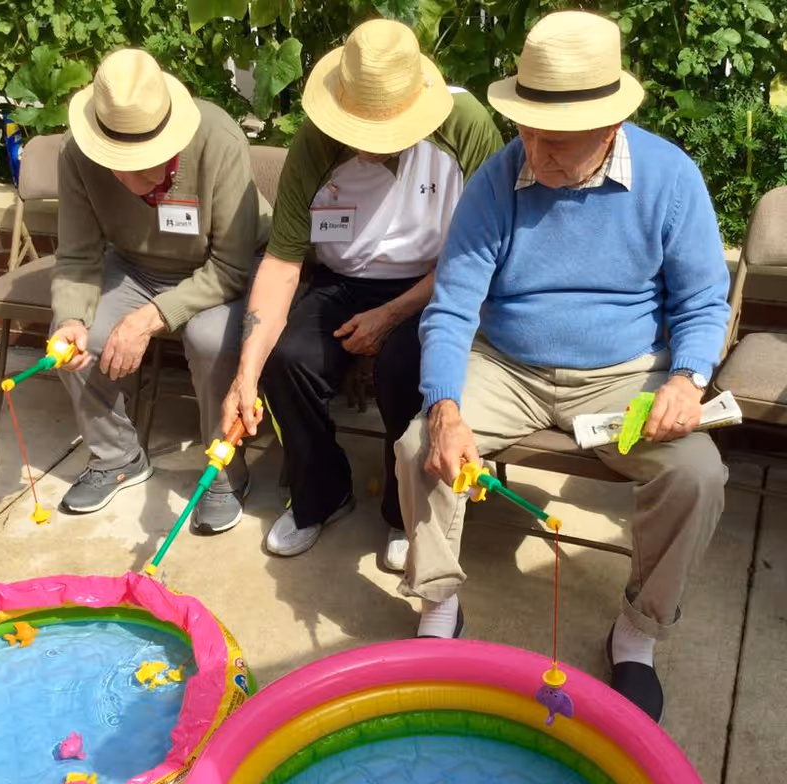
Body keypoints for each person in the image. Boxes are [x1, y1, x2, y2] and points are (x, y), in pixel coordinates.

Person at [394, 10, 731, 723]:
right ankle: (440, 604)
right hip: (507, 363)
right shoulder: (498, 178)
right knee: (418, 444)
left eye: (553, 140)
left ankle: (638, 631)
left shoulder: (670, 178)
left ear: (608, 130)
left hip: (624, 374)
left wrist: (687, 377)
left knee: (698, 475)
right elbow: (452, 306)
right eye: (525, 129)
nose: (532, 150)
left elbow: (705, 299)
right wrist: (446, 407)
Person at [221, 19, 502, 570]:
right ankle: (321, 493)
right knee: (287, 361)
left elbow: (482, 248)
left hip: (436, 282)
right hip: (343, 281)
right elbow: (282, 263)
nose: (366, 145)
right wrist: (245, 371)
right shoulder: (314, 141)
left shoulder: (466, 126)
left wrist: (393, 314)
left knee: (405, 364)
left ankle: (405, 511)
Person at [51, 49, 269, 533]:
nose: (135, 179)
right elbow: (78, 258)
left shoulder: (219, 138)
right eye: (118, 162)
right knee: (70, 342)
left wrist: (147, 318)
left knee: (210, 341)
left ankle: (224, 470)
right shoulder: (76, 154)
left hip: (221, 274)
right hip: (134, 266)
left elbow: (232, 268)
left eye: (147, 159)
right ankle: (117, 455)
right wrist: (70, 317)